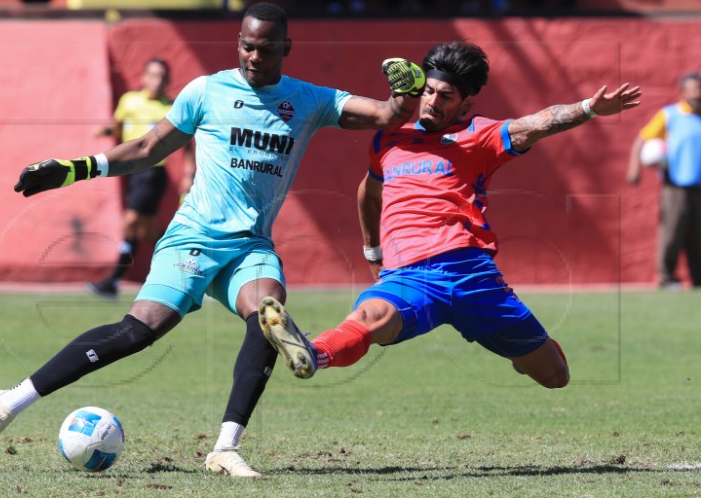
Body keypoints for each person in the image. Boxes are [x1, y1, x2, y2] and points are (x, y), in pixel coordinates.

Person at [0, 2, 426, 478]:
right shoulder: (206, 91)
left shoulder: (309, 100)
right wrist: (77, 169)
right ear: (238, 43)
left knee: (269, 316)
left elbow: (386, 115)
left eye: (266, 49)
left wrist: (406, 93)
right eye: (247, 46)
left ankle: (225, 448)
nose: (254, 56)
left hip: (250, 246)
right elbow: (147, 148)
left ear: (286, 48)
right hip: (195, 237)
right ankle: (9, 402)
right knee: (139, 332)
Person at [258, 41, 641, 392]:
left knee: (555, 377)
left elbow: (540, 122)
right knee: (369, 316)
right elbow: (368, 192)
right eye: (427, 91)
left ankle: (519, 351)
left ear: (465, 104)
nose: (432, 102)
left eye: (446, 96)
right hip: (409, 275)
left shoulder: (480, 135)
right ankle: (312, 352)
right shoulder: (389, 137)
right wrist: (372, 252)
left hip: (471, 275)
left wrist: (590, 108)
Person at [87, 58, 196, 301]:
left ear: (168, 82)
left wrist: (189, 174)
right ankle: (185, 269)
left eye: (162, 77)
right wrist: (106, 132)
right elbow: (118, 127)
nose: (157, 81)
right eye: (153, 75)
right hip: (130, 173)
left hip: (152, 173)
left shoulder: (171, 108)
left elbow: (188, 145)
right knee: (149, 232)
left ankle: (113, 281)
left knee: (130, 222)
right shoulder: (129, 101)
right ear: (143, 78)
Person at [627, 71, 701, 290]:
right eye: (694, 89)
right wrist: (634, 167)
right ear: (683, 92)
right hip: (675, 186)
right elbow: (643, 138)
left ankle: (698, 279)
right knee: (673, 232)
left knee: (698, 237)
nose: (698, 93)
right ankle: (666, 277)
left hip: (699, 188)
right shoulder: (670, 115)